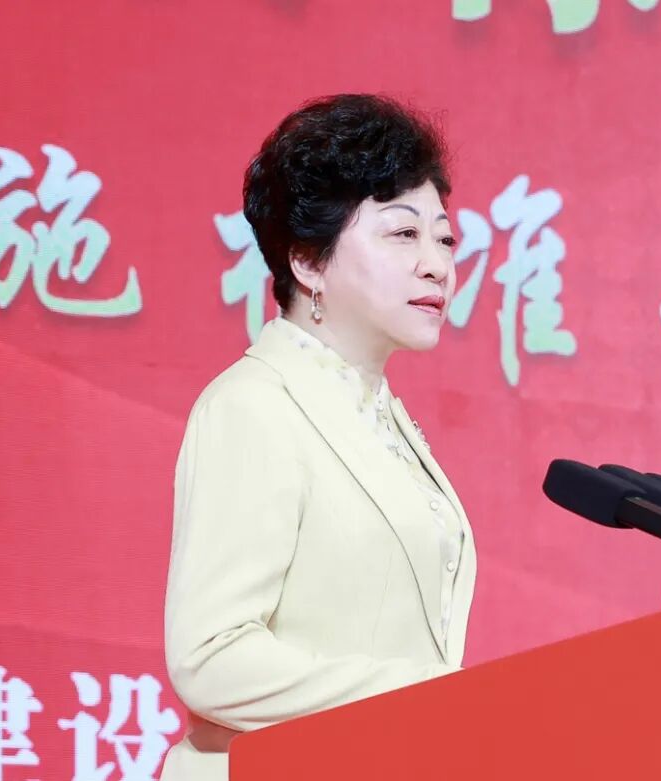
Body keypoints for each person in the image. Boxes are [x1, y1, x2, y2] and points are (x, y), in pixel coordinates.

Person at [159, 94, 477, 781]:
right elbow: (210, 656)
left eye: (445, 238)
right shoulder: (253, 406)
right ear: (306, 260)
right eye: (403, 234)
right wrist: (422, 699)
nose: (437, 264)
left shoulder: (378, 414)